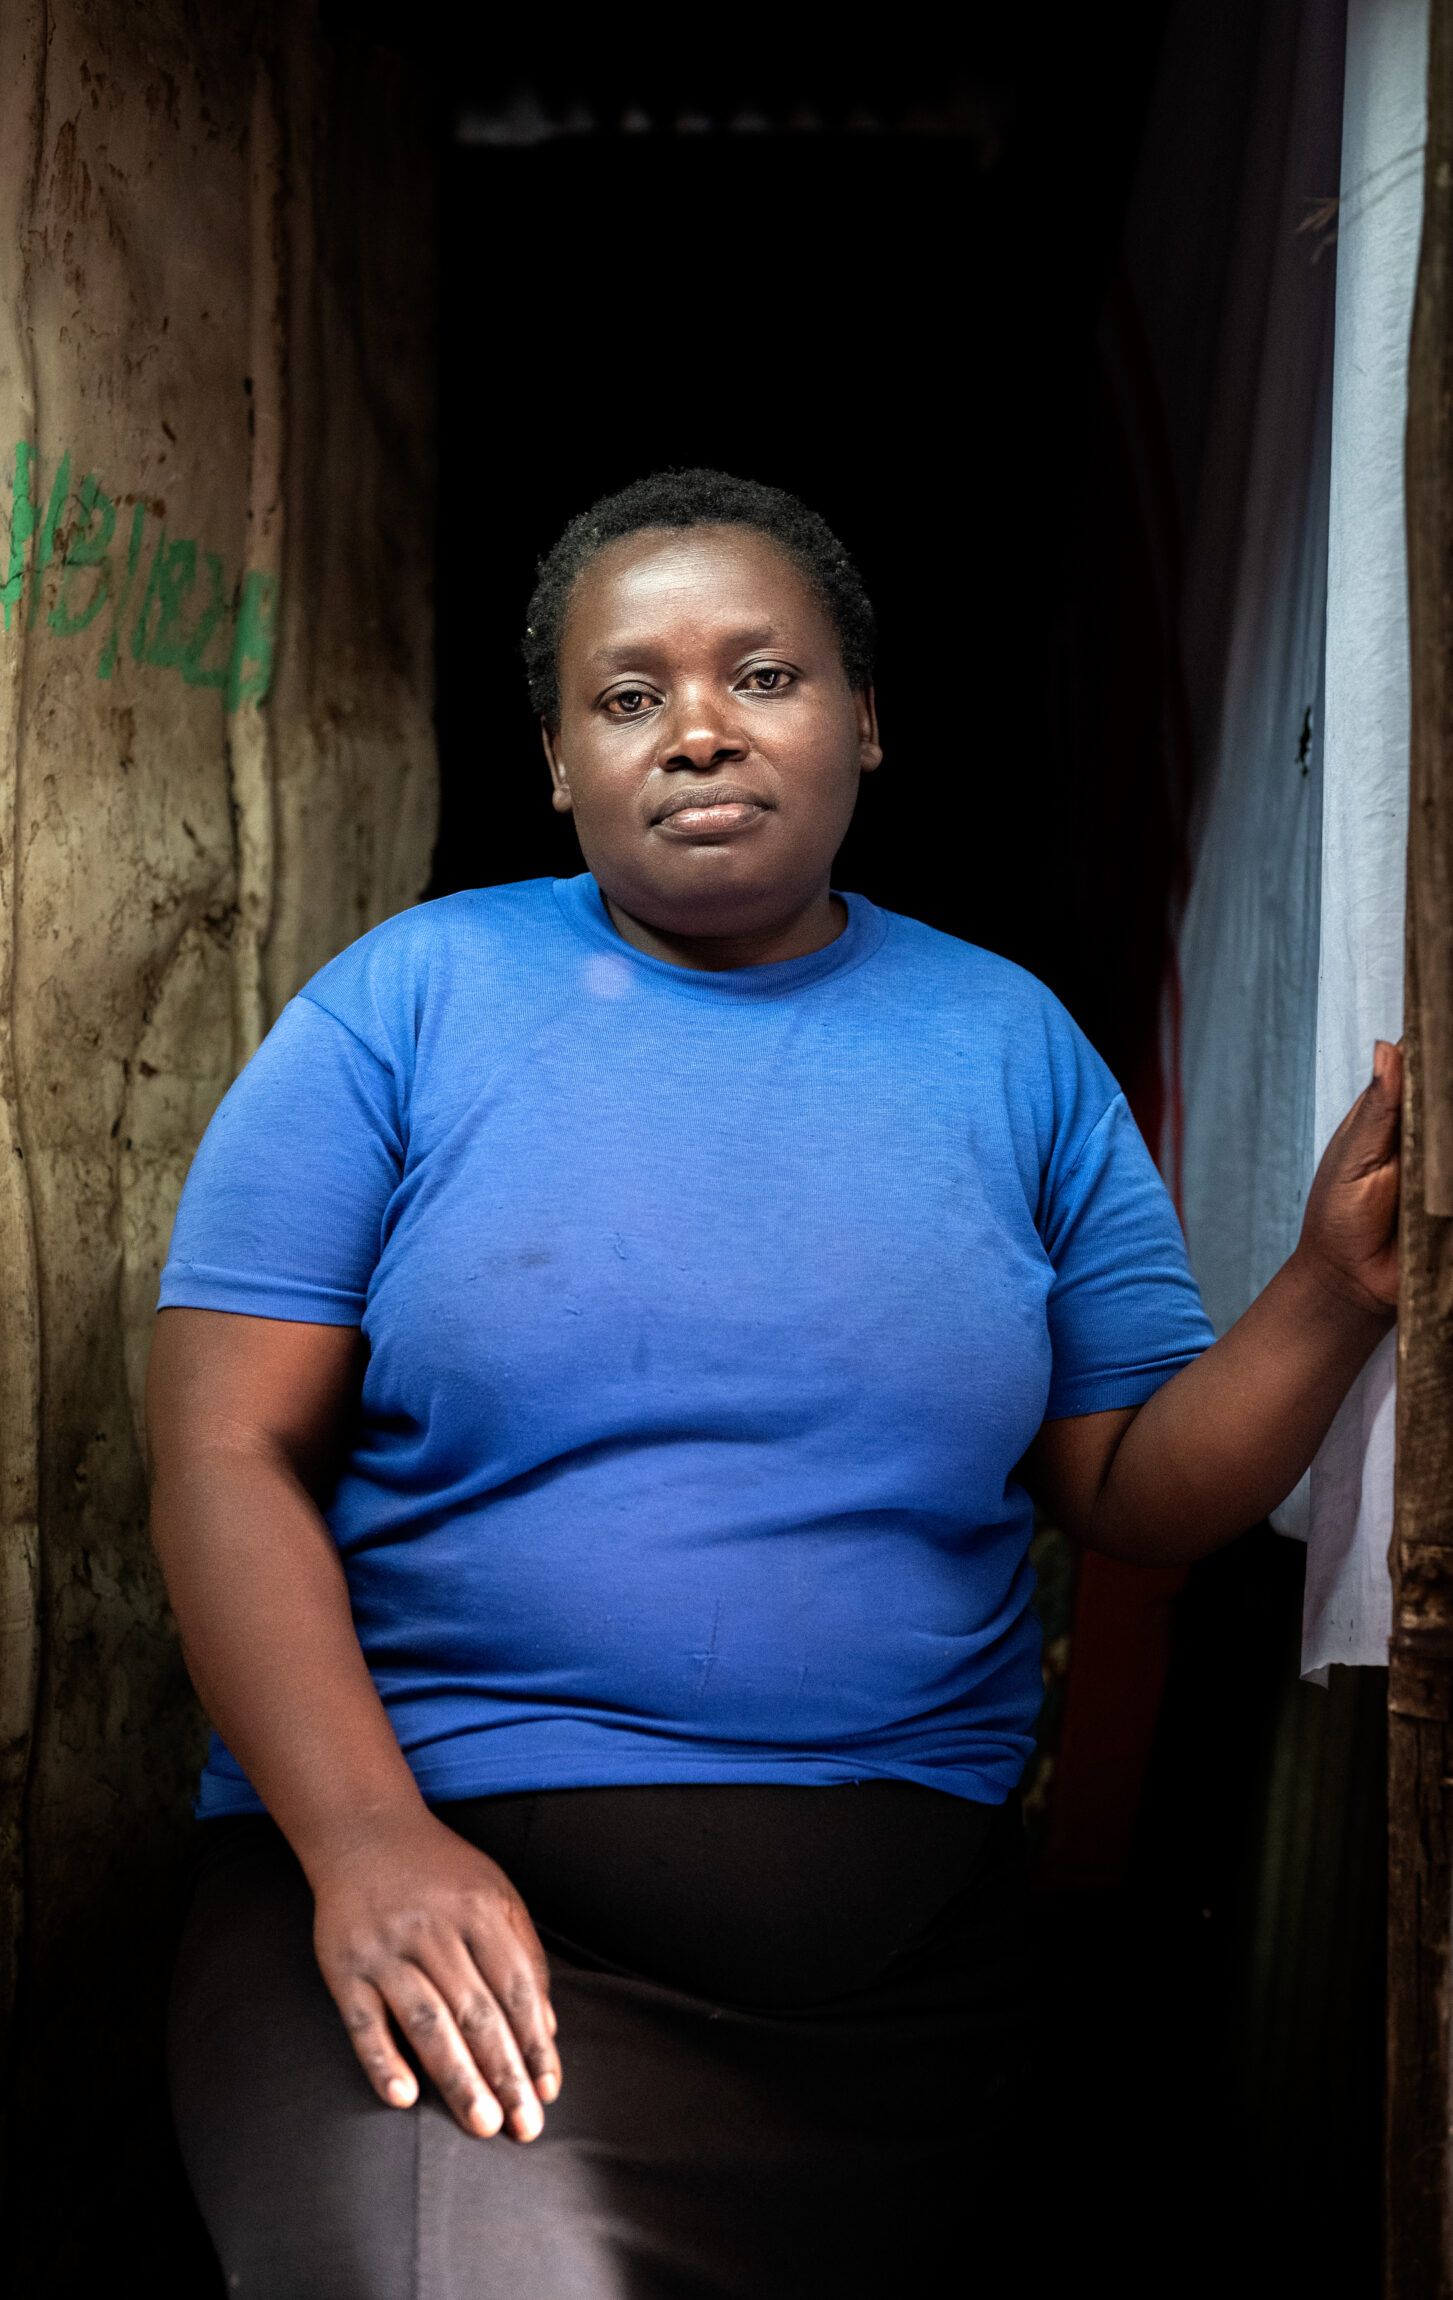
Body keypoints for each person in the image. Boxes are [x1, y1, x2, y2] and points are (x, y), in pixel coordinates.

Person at [151, 469, 1402, 2299]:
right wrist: (366, 1842)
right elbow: (223, 1455)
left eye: (764, 674)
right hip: (447, 1923)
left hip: (891, 2002)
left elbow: (1132, 1492)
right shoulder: (402, 1006)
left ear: (865, 720)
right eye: (627, 696)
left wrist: (1328, 1291)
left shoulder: (1005, 1045)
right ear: (557, 762)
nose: (697, 731)